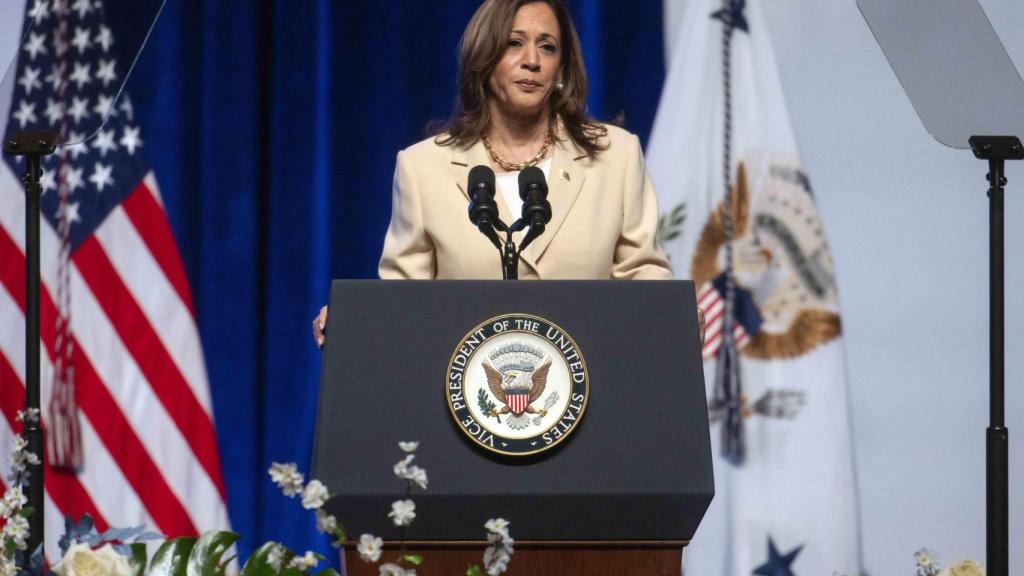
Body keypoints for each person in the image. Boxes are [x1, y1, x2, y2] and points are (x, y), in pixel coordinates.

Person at [314, 0, 703, 345]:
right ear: (484, 58)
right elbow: (402, 300)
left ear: (561, 68)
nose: (532, 60)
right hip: (466, 391)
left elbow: (643, 275)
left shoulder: (615, 156)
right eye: (514, 43)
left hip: (592, 383)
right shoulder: (423, 167)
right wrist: (356, 322)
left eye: (547, 47)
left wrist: (671, 316)